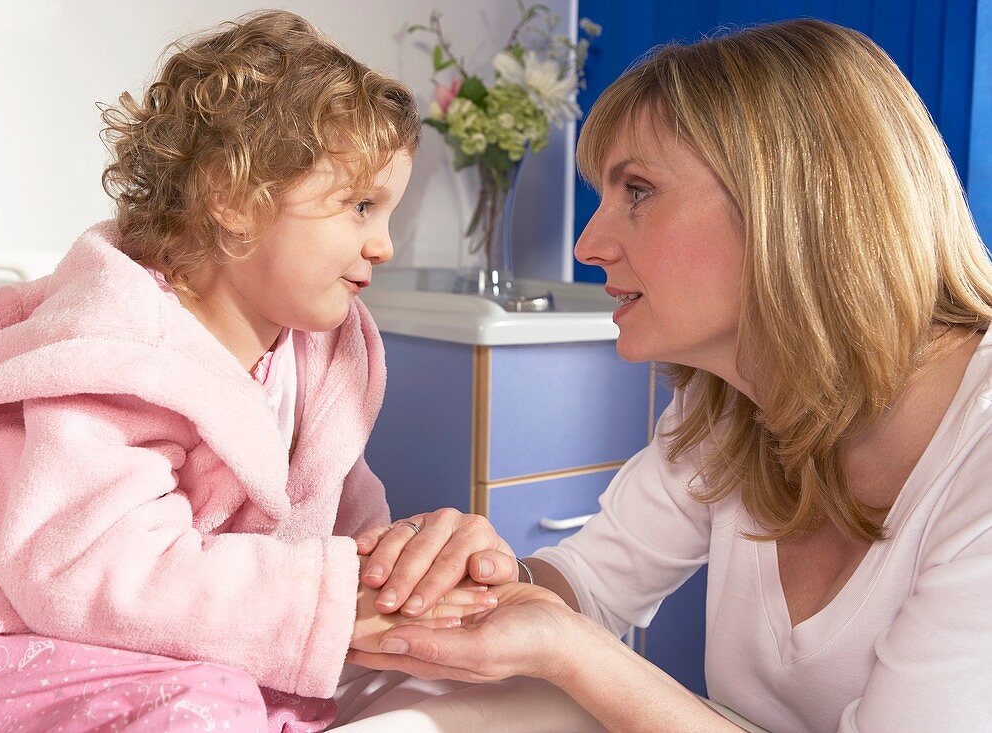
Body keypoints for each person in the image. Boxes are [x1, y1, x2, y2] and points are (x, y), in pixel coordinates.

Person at [346, 18, 992, 733]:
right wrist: (493, 578)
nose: (589, 245)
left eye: (640, 191)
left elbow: (576, 637)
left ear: (794, 205)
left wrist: (574, 652)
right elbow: (588, 583)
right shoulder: (727, 410)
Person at [0, 10, 497, 732]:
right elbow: (93, 568)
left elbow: (339, 515)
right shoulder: (115, 351)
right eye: (360, 206)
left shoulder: (323, 357)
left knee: (446, 687)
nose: (384, 245)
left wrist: (396, 578)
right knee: (203, 712)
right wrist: (321, 602)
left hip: (161, 625)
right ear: (234, 199)